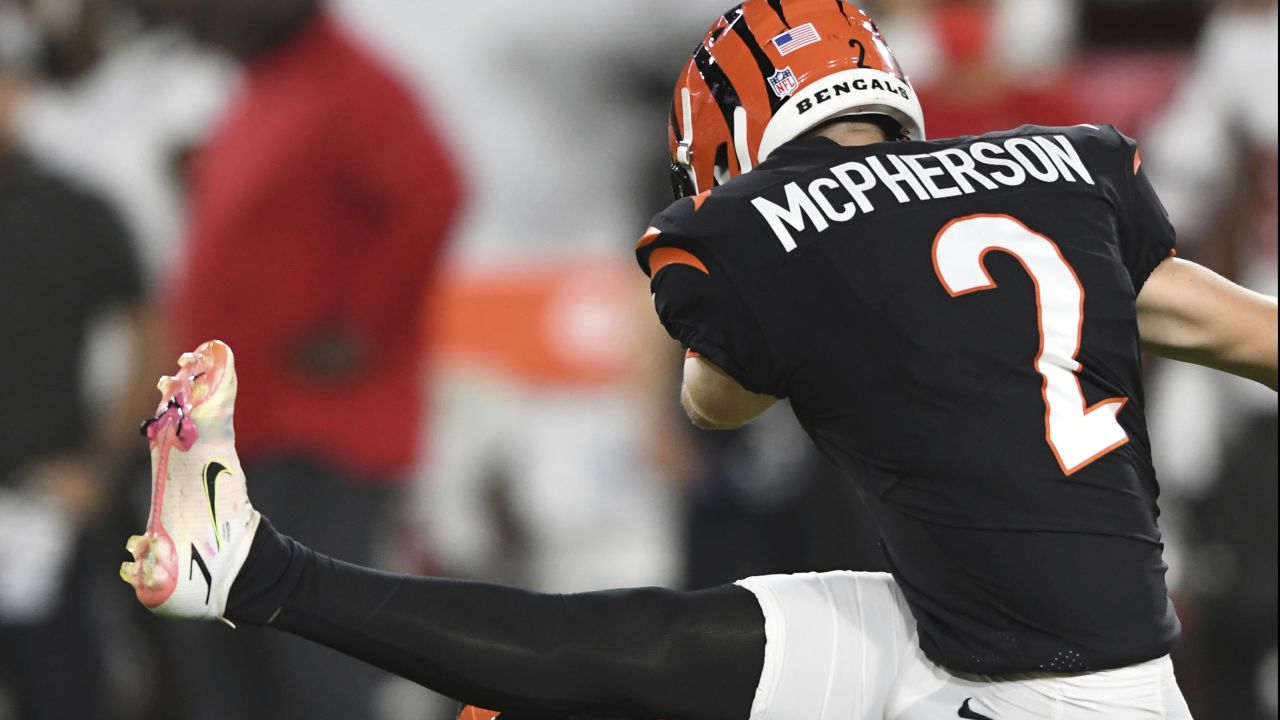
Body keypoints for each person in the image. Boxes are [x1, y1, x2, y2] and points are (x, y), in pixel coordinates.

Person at [120, 2, 1277, 719]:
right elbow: (1244, 333)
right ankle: (243, 565)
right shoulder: (1059, 172)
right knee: (659, 651)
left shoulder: (764, 221)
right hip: (986, 632)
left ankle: (255, 576)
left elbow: (715, 400)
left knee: (604, 650)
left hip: (1044, 694)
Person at [145, 0, 463, 717]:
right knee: (219, 659)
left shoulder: (351, 82)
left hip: (320, 435)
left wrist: (365, 326)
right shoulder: (263, 86)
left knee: (309, 659)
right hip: (229, 438)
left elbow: (435, 190)